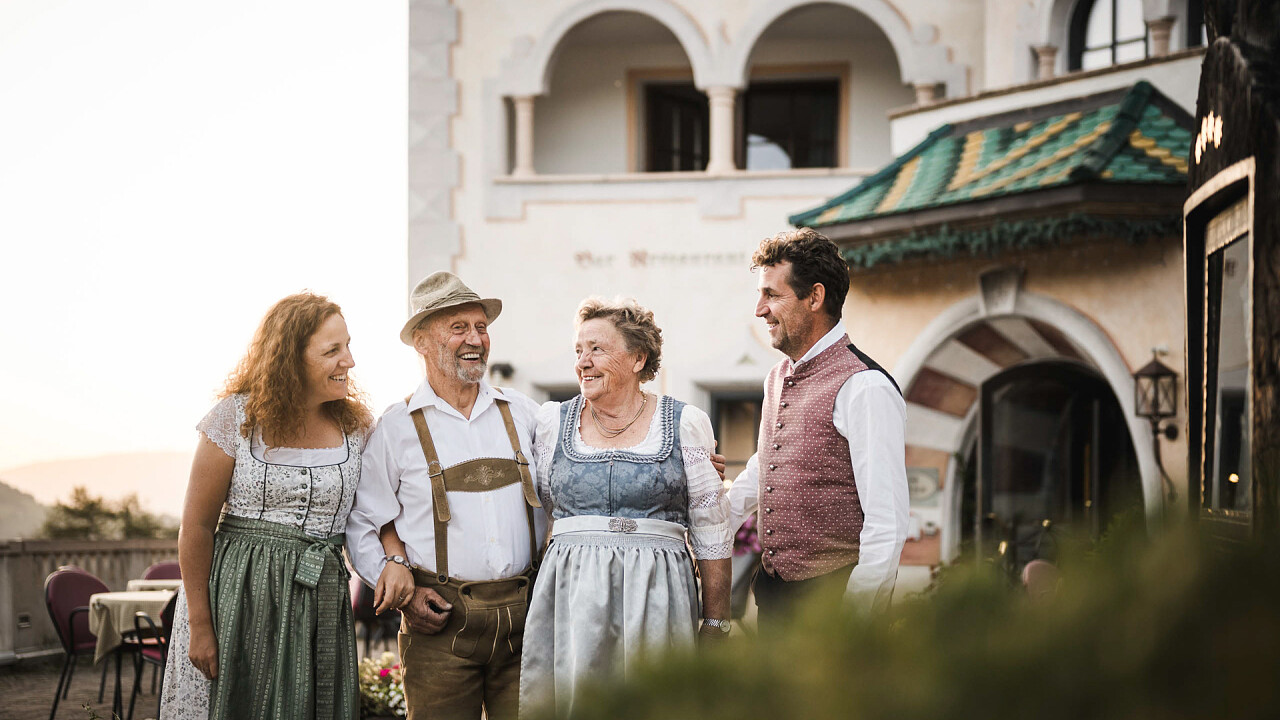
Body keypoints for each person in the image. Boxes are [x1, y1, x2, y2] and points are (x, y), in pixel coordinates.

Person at [161, 293, 372, 720]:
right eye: (332, 351)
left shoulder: (357, 426)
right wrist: (201, 625)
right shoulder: (236, 419)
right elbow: (197, 526)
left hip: (320, 600)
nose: (348, 360)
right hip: (237, 597)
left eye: (348, 345)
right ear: (291, 359)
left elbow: (374, 513)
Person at [518, 297, 733, 717]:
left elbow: (712, 529)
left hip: (658, 592)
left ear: (637, 358)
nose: (583, 361)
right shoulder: (549, 424)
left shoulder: (685, 424)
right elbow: (543, 509)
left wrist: (716, 620)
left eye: (597, 348)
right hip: (572, 594)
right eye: (578, 351)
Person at [345, 271, 545, 720]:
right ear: (421, 341)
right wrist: (404, 591)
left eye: (481, 327)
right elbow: (363, 523)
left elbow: (581, 460)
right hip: (438, 624)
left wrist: (682, 459)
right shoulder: (396, 428)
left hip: (526, 621)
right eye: (459, 328)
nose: (475, 338)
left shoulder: (525, 414)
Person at [727, 228, 909, 630]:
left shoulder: (865, 386)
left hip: (833, 603)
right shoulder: (776, 377)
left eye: (772, 295)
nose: (760, 309)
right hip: (775, 595)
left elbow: (888, 521)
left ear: (815, 297)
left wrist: (853, 621)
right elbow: (768, 462)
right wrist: (713, 517)